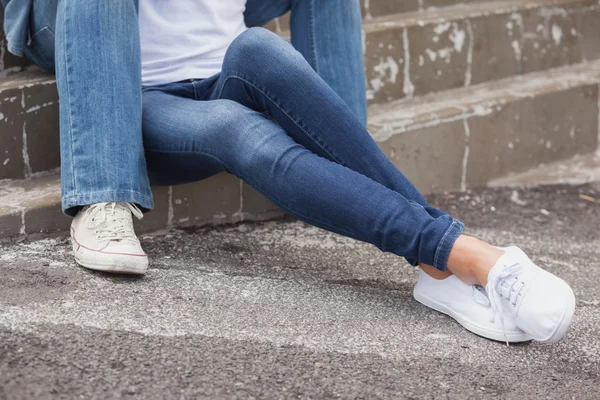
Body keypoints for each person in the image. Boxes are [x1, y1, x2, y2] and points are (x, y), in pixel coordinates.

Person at [1, 0, 576, 344]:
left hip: (224, 68)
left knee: (262, 48)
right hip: (140, 102)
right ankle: (461, 256)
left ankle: (378, 200)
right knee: (234, 127)